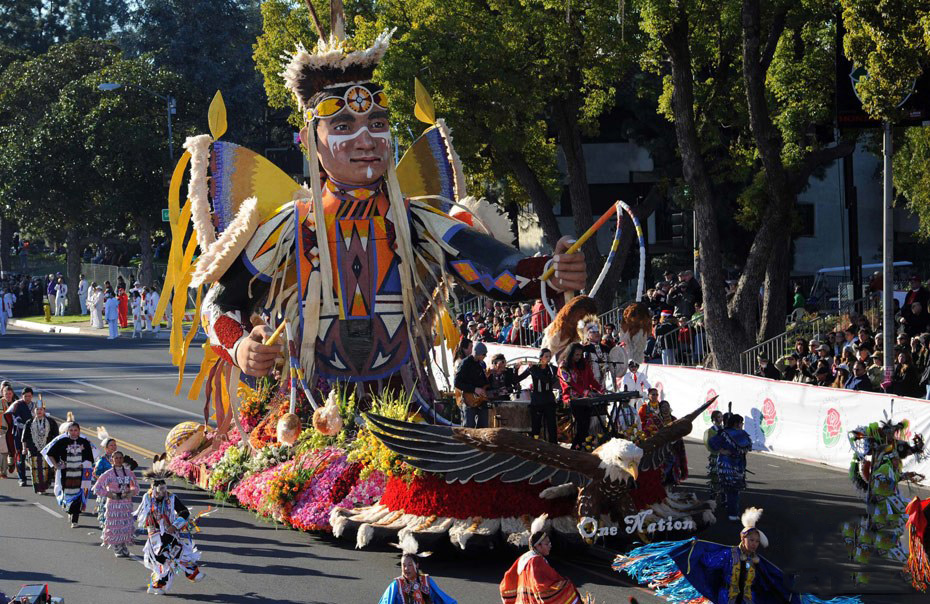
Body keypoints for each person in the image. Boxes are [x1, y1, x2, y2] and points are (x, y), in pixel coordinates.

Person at [614, 507, 863, 604]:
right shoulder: (727, 555)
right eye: (751, 539)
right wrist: (693, 549)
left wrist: (793, 582)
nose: (754, 544)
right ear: (742, 538)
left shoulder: (759, 562)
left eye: (756, 541)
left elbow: (774, 580)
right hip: (724, 599)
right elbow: (707, 564)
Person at [137, 469, 205, 594]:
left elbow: (184, 512)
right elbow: (144, 515)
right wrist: (154, 520)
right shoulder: (147, 497)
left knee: (177, 552)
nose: (163, 492)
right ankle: (158, 584)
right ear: (153, 488)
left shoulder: (172, 498)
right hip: (155, 533)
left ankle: (193, 573)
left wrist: (174, 525)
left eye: (164, 488)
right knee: (161, 558)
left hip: (170, 531)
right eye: (160, 489)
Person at [500, 514, 582, 604]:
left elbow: (508, 578)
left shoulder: (523, 558)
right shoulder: (536, 561)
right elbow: (542, 585)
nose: (550, 546)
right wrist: (564, 585)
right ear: (538, 546)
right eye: (547, 544)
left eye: (550, 543)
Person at [41, 421, 97, 527]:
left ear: (79, 431)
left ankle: (75, 519)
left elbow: (90, 458)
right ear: (68, 431)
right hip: (65, 473)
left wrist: (84, 464)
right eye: (71, 430)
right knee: (67, 494)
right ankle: (70, 511)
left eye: (76, 430)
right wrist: (56, 465)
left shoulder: (84, 442)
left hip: (81, 473)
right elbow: (50, 454)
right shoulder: (62, 442)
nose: (73, 432)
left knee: (78, 495)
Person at [378, 539, 457, 604]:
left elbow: (441, 598)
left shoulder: (426, 581)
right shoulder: (396, 584)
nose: (406, 568)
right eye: (404, 565)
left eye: (409, 565)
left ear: (417, 566)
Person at [92, 450, 139, 557]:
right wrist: (109, 494)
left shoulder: (129, 472)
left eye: (120, 458)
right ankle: (116, 545)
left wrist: (131, 492)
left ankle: (123, 544)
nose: (118, 460)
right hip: (114, 503)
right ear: (112, 460)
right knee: (115, 525)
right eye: (116, 458)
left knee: (125, 525)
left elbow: (136, 486)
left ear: (123, 459)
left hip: (126, 503)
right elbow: (97, 488)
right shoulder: (108, 474)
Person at [558, 342, 603, 450]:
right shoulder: (563, 366)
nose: (579, 357)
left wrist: (600, 389)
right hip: (572, 398)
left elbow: (591, 378)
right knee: (581, 423)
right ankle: (576, 447)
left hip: (585, 398)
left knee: (586, 424)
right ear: (570, 354)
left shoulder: (584, 363)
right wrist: (586, 392)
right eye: (576, 355)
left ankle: (581, 446)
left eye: (580, 354)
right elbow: (570, 383)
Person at [709, 413, 752, 521]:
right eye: (741, 422)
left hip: (738, 464)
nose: (742, 424)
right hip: (727, 464)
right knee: (732, 489)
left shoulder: (742, 433)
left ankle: (730, 507)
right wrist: (722, 450)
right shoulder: (724, 433)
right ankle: (732, 513)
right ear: (736, 423)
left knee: (733, 489)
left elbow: (746, 447)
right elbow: (711, 442)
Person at [516, 348, 559, 443]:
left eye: (549, 357)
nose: (548, 359)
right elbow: (518, 379)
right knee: (536, 426)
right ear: (540, 358)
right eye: (546, 356)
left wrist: (533, 371)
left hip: (549, 400)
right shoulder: (534, 368)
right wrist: (516, 369)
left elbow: (547, 380)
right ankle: (534, 445)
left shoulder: (552, 369)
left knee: (552, 425)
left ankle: (554, 445)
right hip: (537, 401)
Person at [21, 401, 58, 494]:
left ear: (44, 410)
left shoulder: (51, 422)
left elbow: (56, 437)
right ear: (34, 411)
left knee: (48, 470)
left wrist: (56, 449)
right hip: (33, 450)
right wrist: (24, 448)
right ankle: (40, 488)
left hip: (47, 450)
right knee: (36, 470)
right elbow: (25, 437)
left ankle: (45, 486)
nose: (39, 411)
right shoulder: (29, 422)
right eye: (37, 409)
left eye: (41, 409)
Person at [454, 341, 490, 428]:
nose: (485, 356)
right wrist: (474, 389)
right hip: (468, 400)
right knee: (468, 428)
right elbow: (457, 382)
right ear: (478, 354)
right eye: (484, 354)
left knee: (483, 427)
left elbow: (483, 382)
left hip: (480, 401)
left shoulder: (480, 364)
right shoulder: (464, 363)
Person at [7, 385, 33, 486]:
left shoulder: (35, 406)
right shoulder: (17, 404)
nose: (27, 398)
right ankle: (22, 478)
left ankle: (37, 479)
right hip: (19, 434)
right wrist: (25, 425)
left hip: (32, 435)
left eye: (29, 396)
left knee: (34, 456)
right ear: (22, 396)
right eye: (25, 396)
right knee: (20, 457)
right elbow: (15, 418)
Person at [94, 432, 118, 529]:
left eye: (114, 445)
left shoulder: (119, 458)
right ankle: (106, 526)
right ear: (106, 448)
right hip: (106, 489)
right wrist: (104, 481)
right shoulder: (102, 460)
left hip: (118, 489)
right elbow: (96, 473)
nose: (113, 447)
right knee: (106, 508)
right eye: (111, 445)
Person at [704, 410, 724, 503]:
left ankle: (723, 496)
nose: (721, 418)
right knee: (715, 476)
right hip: (716, 455)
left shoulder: (724, 428)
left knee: (724, 476)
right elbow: (710, 443)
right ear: (714, 418)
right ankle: (713, 495)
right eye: (719, 417)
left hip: (724, 455)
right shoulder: (712, 430)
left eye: (721, 416)